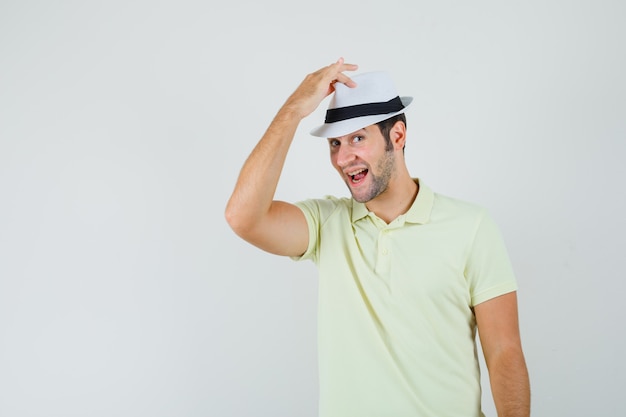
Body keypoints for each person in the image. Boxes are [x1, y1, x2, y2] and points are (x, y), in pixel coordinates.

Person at [225, 58, 530, 417]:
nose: (343, 157)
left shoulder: (471, 226)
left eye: (357, 138)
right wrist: (293, 109)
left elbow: (504, 351)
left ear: (397, 136)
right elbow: (243, 216)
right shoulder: (327, 224)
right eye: (335, 144)